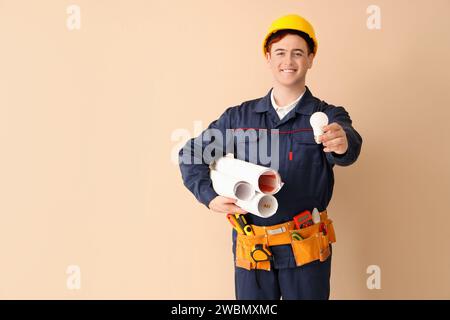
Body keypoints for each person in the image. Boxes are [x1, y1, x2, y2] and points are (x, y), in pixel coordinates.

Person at [179, 14, 362, 300]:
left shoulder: (328, 116)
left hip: (306, 252)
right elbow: (191, 153)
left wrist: (342, 142)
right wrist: (209, 196)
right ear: (268, 57)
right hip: (254, 252)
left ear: (311, 58)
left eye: (298, 53)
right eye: (280, 52)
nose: (288, 60)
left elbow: (349, 146)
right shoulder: (238, 117)